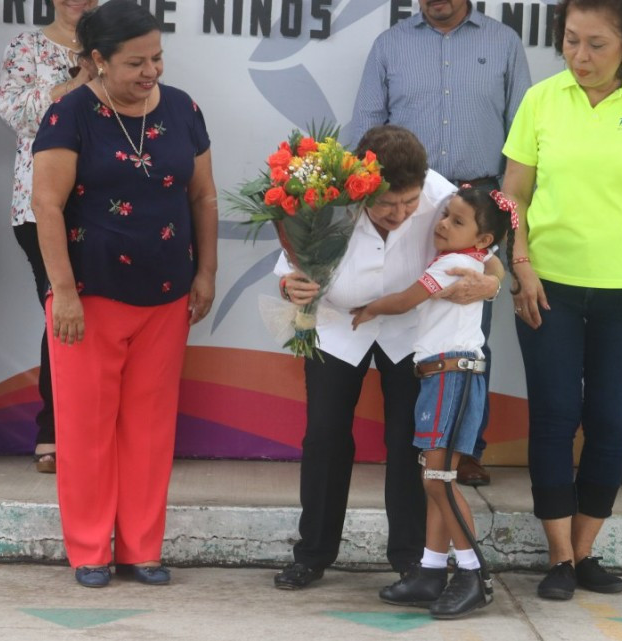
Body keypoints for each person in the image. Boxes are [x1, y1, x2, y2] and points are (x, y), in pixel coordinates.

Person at [502, 0, 622, 601]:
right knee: (555, 418)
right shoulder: (541, 99)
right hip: (548, 288)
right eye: (571, 41)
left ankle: (586, 552)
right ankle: (557, 556)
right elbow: (514, 196)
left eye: (597, 45)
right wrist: (521, 265)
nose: (581, 57)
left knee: (611, 423)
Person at [31, 0, 218, 588]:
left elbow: (204, 198)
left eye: (157, 57)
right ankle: (90, 550)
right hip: (89, 297)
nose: (150, 71)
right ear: (97, 61)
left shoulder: (185, 109)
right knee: (86, 430)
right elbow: (46, 204)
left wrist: (206, 272)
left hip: (166, 297)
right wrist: (63, 292)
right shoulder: (70, 115)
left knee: (150, 428)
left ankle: (142, 549)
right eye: (135, 62)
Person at [272, 125, 503, 591]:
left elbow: (489, 247)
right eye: (386, 204)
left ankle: (412, 559)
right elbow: (289, 259)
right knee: (324, 437)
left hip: (410, 331)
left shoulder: (440, 192)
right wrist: (288, 284)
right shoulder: (326, 193)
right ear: (361, 186)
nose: (400, 213)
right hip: (338, 325)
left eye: (410, 203)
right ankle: (313, 553)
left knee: (409, 443)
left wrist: (493, 281)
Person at [345, 0, 532, 486]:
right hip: (408, 209)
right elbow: (364, 128)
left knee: (466, 332)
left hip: (473, 208)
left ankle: (464, 447)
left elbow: (524, 137)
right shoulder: (391, 45)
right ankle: (421, 441)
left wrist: (508, 231)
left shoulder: (503, 43)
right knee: (408, 330)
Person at [350, 187, 514, 618]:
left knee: (437, 482)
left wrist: (367, 308)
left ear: (481, 241)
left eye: (457, 222)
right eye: (445, 214)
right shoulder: (469, 260)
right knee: (436, 478)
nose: (442, 224)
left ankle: (475, 573)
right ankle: (430, 570)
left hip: (451, 376)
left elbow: (405, 302)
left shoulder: (454, 264)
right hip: (441, 376)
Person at [0, 0, 99, 475]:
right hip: (40, 207)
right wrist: (79, 81)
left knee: (103, 316)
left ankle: (94, 428)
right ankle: (53, 429)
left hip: (106, 208)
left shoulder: (114, 46)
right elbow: (20, 116)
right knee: (61, 308)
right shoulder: (25, 48)